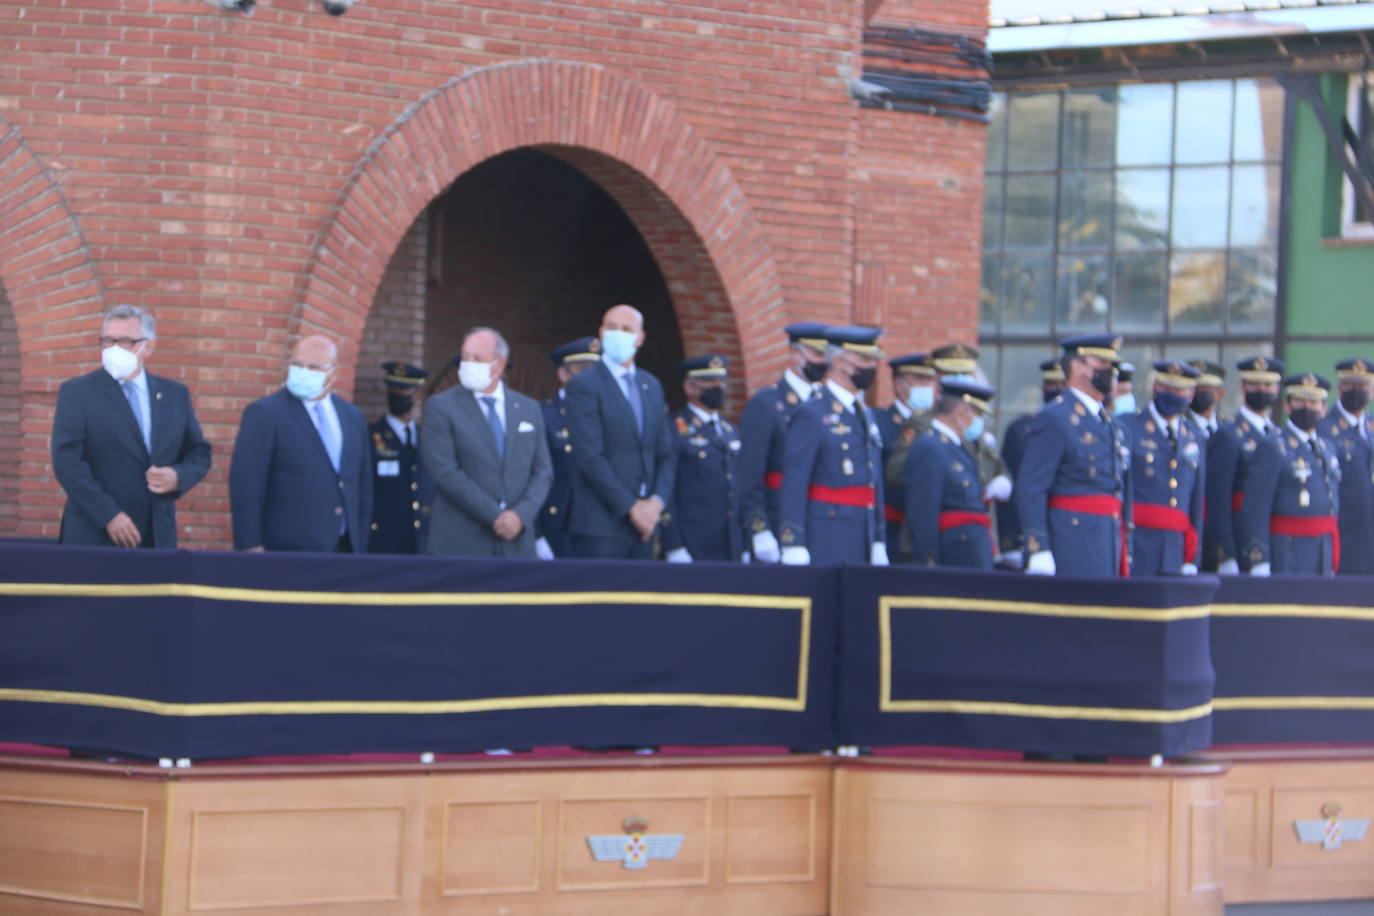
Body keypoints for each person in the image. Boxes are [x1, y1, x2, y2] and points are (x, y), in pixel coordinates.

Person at [51, 305, 212, 548]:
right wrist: (108, 515)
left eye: (125, 341)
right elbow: (67, 461)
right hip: (94, 535)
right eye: (108, 340)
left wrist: (177, 476)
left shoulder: (174, 395)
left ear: (148, 346)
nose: (114, 348)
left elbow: (198, 452)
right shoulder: (78, 392)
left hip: (155, 534)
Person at [230, 334, 372, 552]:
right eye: (297, 364)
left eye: (314, 368)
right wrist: (250, 544)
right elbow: (246, 485)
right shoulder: (265, 413)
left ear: (333, 373)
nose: (304, 372)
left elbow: (362, 483)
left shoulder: (351, 416)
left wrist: (360, 539)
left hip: (344, 545)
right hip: (286, 548)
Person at [420, 327, 552, 558]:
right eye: (464, 357)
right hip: (461, 543)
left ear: (499, 365)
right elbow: (445, 472)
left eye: (477, 358)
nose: (467, 364)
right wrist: (496, 517)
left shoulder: (528, 408)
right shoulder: (441, 406)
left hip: (517, 543)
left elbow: (543, 471)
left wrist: (520, 516)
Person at [564, 304, 675, 559]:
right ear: (601, 332)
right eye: (612, 328)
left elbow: (665, 453)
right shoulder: (584, 384)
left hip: (646, 525)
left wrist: (656, 503)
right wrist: (632, 508)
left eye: (626, 329)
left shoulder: (651, 385)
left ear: (640, 337)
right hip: (600, 525)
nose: (618, 334)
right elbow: (590, 456)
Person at [1016, 334, 1131, 577]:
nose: (1110, 371)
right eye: (1102, 363)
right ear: (1078, 367)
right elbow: (1032, 486)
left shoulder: (1105, 420)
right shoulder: (1057, 417)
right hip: (1072, 542)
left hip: (1106, 538)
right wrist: (1038, 547)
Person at [778, 325, 889, 566]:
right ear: (839, 361)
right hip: (827, 533)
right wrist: (792, 539)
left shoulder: (864, 413)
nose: (872, 367)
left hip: (862, 532)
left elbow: (874, 480)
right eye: (864, 359)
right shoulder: (813, 413)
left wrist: (879, 537)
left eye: (873, 360)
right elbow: (795, 480)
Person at [738, 322, 830, 563]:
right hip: (777, 520)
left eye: (825, 354)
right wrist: (759, 529)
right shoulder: (767, 403)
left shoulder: (828, 405)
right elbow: (749, 474)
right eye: (815, 353)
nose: (821, 361)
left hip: (819, 521)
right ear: (795, 353)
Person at [1238, 372, 1341, 576]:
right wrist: (1259, 557)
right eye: (1300, 401)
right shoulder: (1273, 446)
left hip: (1321, 548)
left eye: (1313, 403)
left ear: (1324, 409)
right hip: (1286, 549)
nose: (1307, 407)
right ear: (1287, 406)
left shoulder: (1326, 447)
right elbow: (1255, 507)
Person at [902, 377, 998, 569]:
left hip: (970, 550)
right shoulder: (931, 446)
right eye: (976, 413)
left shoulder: (957, 446)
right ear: (960, 412)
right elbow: (923, 511)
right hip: (953, 553)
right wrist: (929, 561)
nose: (977, 421)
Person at [1120, 361, 1205, 576]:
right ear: (1154, 388)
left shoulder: (1193, 434)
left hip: (1176, 546)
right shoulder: (1128, 427)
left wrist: (1193, 554)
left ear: (1191, 394)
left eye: (1179, 389)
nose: (1173, 394)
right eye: (1166, 388)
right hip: (1138, 543)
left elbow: (1197, 497)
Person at [1202, 355, 1284, 573]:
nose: (1261, 390)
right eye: (1254, 384)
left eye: (1267, 384)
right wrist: (1225, 554)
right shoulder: (1228, 436)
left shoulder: (1278, 435)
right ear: (1243, 387)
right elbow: (1218, 500)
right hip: (1239, 545)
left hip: (1273, 543)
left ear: (1277, 389)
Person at [662, 355, 744, 563]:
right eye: (709, 381)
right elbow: (666, 488)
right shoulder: (674, 428)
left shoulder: (730, 430)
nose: (718, 386)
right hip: (693, 543)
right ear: (690, 387)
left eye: (721, 381)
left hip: (732, 540)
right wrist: (673, 544)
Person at [535, 336, 601, 559]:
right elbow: (529, 476)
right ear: (564, 374)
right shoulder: (543, 415)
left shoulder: (609, 416)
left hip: (601, 529)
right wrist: (535, 535)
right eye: (585, 370)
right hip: (557, 527)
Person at [996, 358, 1066, 567]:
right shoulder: (1021, 430)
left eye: (1062, 385)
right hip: (1031, 532)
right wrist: (1009, 543)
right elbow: (1013, 489)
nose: (1056, 390)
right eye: (1052, 385)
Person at [874, 353, 937, 562]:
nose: (926, 386)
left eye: (929, 380)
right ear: (899, 384)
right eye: (919, 380)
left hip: (927, 529)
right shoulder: (879, 421)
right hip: (891, 527)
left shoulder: (936, 426)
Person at [367, 360, 432, 554]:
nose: (397, 397)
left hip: (422, 540)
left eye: (404, 392)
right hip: (382, 541)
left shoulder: (427, 438)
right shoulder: (370, 435)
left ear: (418, 396)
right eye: (392, 391)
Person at [1319, 358, 1374, 574]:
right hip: (1345, 537)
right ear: (1340, 386)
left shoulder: (1371, 426)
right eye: (1351, 384)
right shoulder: (1324, 428)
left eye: (1363, 385)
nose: (1357, 390)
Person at [1187, 359, 1227, 440]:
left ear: (1220, 393)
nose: (1198, 390)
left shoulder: (1226, 425)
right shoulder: (1177, 426)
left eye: (1205, 387)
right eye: (1193, 387)